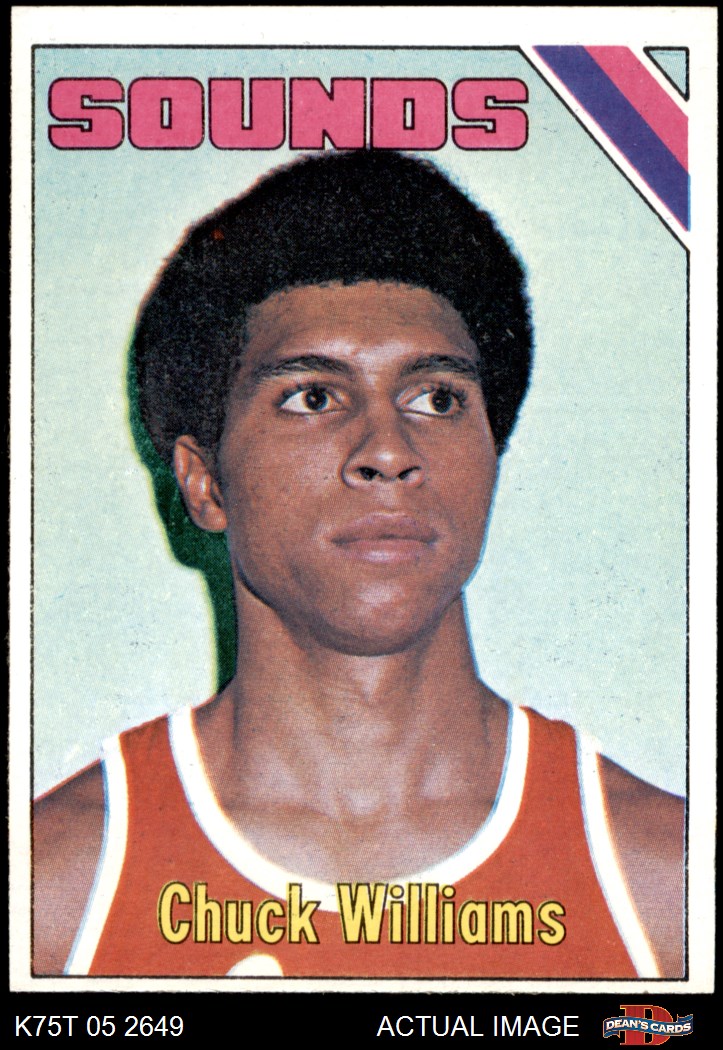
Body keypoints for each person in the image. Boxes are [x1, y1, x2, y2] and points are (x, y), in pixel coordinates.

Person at [33, 150, 684, 979]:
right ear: (204, 483)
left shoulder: (664, 887)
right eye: (312, 397)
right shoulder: (58, 897)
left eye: (435, 398)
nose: (387, 449)